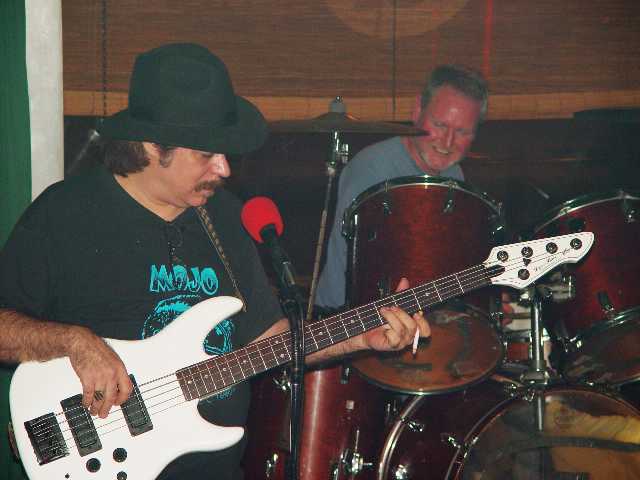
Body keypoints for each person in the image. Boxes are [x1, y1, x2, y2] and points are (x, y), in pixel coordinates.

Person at [0, 43, 428, 479]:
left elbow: (270, 340)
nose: (224, 169)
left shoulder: (224, 218)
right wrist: (75, 343)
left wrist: (361, 337)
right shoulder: (67, 213)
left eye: (226, 153)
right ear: (152, 146)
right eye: (207, 154)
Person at [315, 64, 488, 310]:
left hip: (408, 316)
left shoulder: (454, 175)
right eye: (440, 125)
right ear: (417, 110)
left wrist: (482, 295)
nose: (448, 142)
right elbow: (374, 276)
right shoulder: (372, 169)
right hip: (346, 319)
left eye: (462, 132)